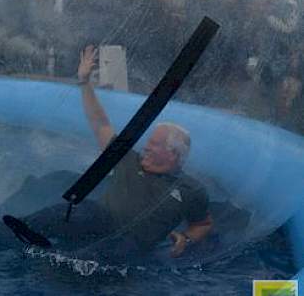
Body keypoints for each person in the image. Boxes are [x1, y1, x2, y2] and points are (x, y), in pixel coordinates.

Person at [18, 46, 213, 259]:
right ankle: (14, 232)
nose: (146, 147)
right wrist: (84, 82)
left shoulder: (190, 189)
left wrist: (186, 238)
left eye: (154, 144)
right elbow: (100, 123)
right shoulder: (129, 159)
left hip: (132, 240)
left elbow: (203, 223)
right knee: (60, 215)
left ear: (172, 154)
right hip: (100, 218)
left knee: (101, 257)